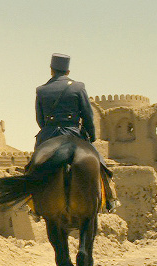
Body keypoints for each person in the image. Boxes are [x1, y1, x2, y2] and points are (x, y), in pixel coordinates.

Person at [31, 53, 119, 212]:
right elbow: (87, 115)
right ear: (68, 72)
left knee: (32, 167)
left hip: (48, 134)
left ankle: (32, 203)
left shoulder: (41, 90)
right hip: (73, 132)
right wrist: (91, 136)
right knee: (100, 164)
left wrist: (49, 130)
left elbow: (40, 120)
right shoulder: (78, 87)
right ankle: (110, 199)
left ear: (51, 70)